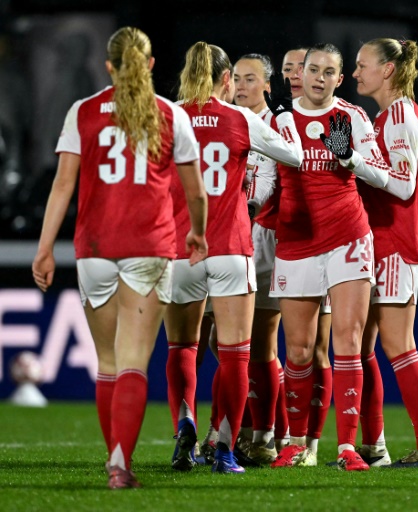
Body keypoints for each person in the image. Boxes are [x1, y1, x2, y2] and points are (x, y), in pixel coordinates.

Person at [32, 26, 208, 489]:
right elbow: (195, 191)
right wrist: (199, 234)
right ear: (150, 65)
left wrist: (45, 247)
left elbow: (63, 185)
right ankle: (119, 465)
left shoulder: (83, 111)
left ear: (108, 66)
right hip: (148, 247)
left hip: (94, 248)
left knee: (107, 362)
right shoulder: (169, 114)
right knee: (133, 361)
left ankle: (114, 458)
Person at [164, 41, 302, 474]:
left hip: (180, 248)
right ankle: (224, 446)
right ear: (227, 79)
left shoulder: (167, 116)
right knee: (236, 353)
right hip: (230, 247)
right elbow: (293, 156)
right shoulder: (241, 118)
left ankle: (184, 427)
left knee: (182, 347)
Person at [269, 43, 390, 471]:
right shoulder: (280, 121)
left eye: (329, 72)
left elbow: (383, 177)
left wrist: (348, 158)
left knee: (348, 344)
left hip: (347, 237)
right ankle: (296, 443)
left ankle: (346, 449)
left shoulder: (352, 118)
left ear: (340, 79)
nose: (319, 77)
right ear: (299, 72)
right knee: (299, 351)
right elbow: (265, 185)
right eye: (313, 69)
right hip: (297, 241)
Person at [353, 38, 418, 469]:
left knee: (398, 345)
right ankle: (374, 446)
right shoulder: (385, 115)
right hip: (383, 239)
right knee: (363, 347)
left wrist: (350, 159)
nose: (356, 73)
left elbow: (403, 186)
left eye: (362, 65)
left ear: (388, 69)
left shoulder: (401, 117)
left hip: (396, 243)